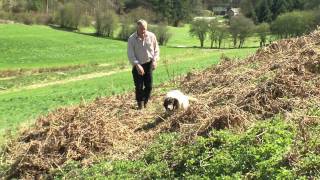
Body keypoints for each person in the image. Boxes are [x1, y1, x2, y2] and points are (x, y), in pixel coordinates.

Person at [127, 19, 160, 109]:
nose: (143, 31)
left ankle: (145, 101)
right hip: (137, 65)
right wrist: (137, 65)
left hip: (148, 64)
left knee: (149, 86)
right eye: (141, 29)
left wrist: (155, 60)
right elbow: (130, 54)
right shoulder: (132, 39)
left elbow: (156, 49)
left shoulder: (152, 36)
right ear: (137, 27)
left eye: (145, 28)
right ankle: (140, 104)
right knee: (139, 86)